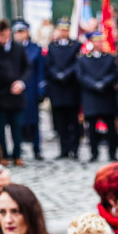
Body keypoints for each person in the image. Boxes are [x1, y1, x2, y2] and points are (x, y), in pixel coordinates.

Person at [0, 19, 31, 166]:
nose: (1, 39)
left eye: (4, 35)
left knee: (17, 127)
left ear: (9, 33)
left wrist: (21, 83)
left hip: (16, 95)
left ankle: (17, 155)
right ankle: (2, 155)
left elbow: (27, 68)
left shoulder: (18, 48)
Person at [77, 33, 118, 162]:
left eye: (101, 41)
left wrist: (103, 83)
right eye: (96, 41)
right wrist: (94, 84)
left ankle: (113, 153)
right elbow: (81, 75)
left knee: (111, 128)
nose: (99, 44)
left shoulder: (110, 58)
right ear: (91, 43)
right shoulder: (83, 59)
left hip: (106, 95)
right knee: (92, 128)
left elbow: (114, 73)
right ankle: (94, 153)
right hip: (91, 96)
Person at [45, 19, 82, 159]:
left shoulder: (76, 45)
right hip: (57, 89)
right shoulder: (52, 46)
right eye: (61, 29)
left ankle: (75, 149)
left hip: (71, 89)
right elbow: (48, 65)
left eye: (66, 29)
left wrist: (66, 74)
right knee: (60, 122)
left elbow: (77, 63)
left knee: (73, 121)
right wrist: (57, 74)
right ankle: (64, 149)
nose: (63, 32)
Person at [14, 20, 45, 160]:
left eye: (21, 31)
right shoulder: (12, 49)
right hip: (17, 91)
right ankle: (18, 149)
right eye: (16, 32)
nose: (18, 35)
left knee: (34, 121)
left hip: (31, 90)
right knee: (17, 121)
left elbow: (41, 71)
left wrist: (41, 89)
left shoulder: (35, 49)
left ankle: (36, 148)